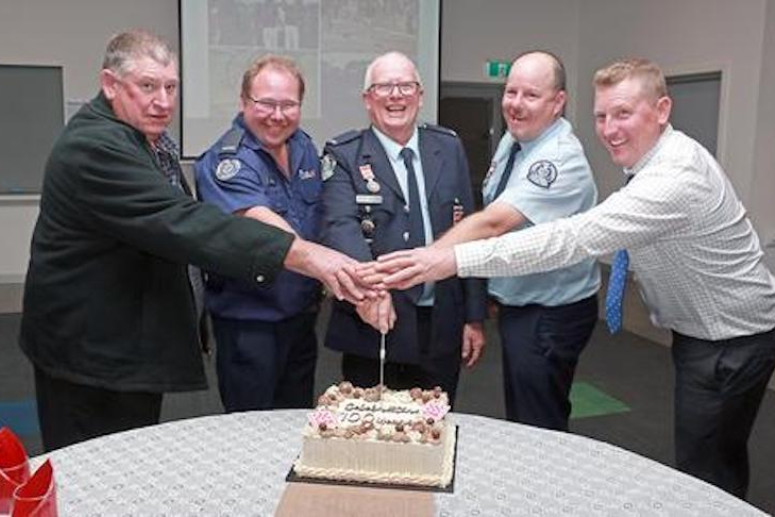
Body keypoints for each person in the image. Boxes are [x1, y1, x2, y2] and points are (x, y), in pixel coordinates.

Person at [376, 57, 775, 499]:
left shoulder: (673, 178)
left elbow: (570, 238)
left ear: (662, 110)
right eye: (602, 116)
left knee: (706, 472)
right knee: (710, 453)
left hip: (729, 335)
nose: (609, 129)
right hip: (700, 328)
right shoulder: (648, 157)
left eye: (623, 114)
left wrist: (447, 260)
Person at [19, 30, 372, 452]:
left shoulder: (146, 139)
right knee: (93, 467)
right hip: (91, 355)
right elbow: (185, 222)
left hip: (126, 341)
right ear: (110, 84)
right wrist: (315, 260)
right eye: (147, 86)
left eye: (171, 87)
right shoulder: (95, 146)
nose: (164, 102)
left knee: (131, 456)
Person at [430, 51, 599, 431]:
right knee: (523, 408)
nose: (515, 105)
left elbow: (495, 222)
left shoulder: (558, 159)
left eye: (531, 95)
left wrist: (428, 257)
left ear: (558, 103)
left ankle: (548, 485)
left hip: (549, 312)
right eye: (511, 92)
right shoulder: (517, 138)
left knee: (538, 420)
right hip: (521, 301)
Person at [320, 51, 486, 404]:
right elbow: (341, 227)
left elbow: (470, 228)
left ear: (420, 95)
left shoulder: (448, 146)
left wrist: (474, 316)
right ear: (368, 99)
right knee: (370, 433)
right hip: (376, 321)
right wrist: (372, 291)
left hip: (441, 322)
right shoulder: (344, 154)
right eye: (384, 87)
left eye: (405, 86)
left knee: (435, 426)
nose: (396, 95)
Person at [195, 56, 322, 412]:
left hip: (300, 317)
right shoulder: (225, 161)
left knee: (296, 419)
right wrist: (333, 267)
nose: (277, 115)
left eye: (288, 105)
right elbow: (266, 225)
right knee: (250, 429)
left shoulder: (304, 148)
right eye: (266, 103)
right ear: (244, 101)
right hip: (250, 323)